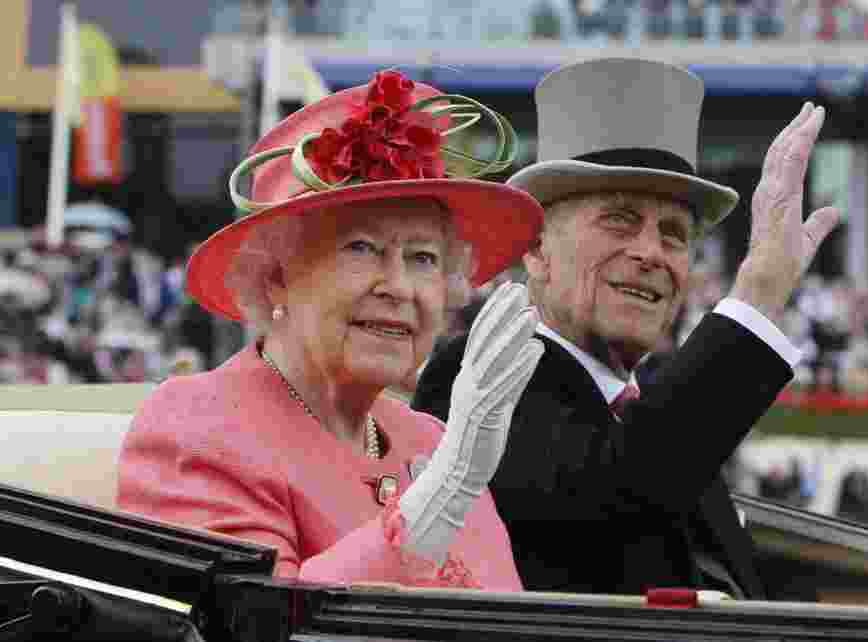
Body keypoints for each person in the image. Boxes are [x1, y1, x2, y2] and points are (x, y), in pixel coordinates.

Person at [413, 58, 840, 597]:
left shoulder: (656, 412)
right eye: (619, 219)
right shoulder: (475, 373)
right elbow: (614, 494)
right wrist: (757, 295)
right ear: (538, 249)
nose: (650, 254)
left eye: (673, 235)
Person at [117, 69, 546, 589]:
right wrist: (441, 495)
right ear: (276, 277)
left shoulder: (431, 441)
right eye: (361, 249)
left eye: (423, 258)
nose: (400, 286)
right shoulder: (197, 425)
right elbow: (253, 622)